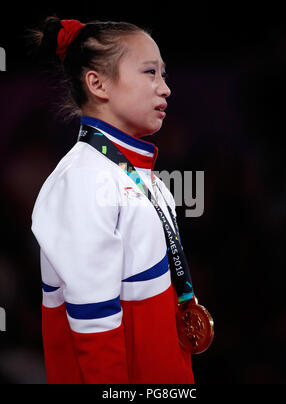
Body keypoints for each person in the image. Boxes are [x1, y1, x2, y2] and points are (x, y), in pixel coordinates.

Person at [30, 16, 195, 384]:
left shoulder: (141, 177)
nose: (164, 88)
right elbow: (95, 327)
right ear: (98, 83)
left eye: (164, 74)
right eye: (150, 72)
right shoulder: (82, 180)